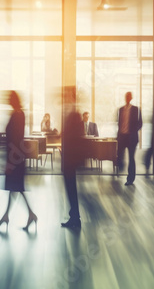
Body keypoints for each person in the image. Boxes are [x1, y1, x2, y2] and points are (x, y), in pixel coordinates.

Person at [0, 91, 37, 231]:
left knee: (15, 188)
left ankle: (22, 216)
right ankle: (10, 217)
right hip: (17, 158)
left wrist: (10, 163)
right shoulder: (20, 114)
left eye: (9, 98)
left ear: (13, 100)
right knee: (15, 188)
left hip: (14, 159)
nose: (7, 100)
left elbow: (15, 140)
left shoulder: (16, 115)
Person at [61, 86, 85, 228]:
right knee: (71, 189)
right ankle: (74, 217)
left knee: (71, 189)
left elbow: (75, 139)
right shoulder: (71, 113)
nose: (64, 96)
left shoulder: (75, 114)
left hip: (71, 160)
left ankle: (75, 218)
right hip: (69, 159)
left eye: (66, 94)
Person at [117, 92, 142, 186]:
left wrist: (133, 131)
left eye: (129, 96)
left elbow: (140, 123)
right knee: (120, 155)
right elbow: (119, 123)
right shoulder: (120, 109)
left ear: (131, 98)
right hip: (122, 136)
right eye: (126, 96)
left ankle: (130, 179)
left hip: (131, 137)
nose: (127, 97)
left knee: (131, 158)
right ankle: (121, 166)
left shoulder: (136, 109)